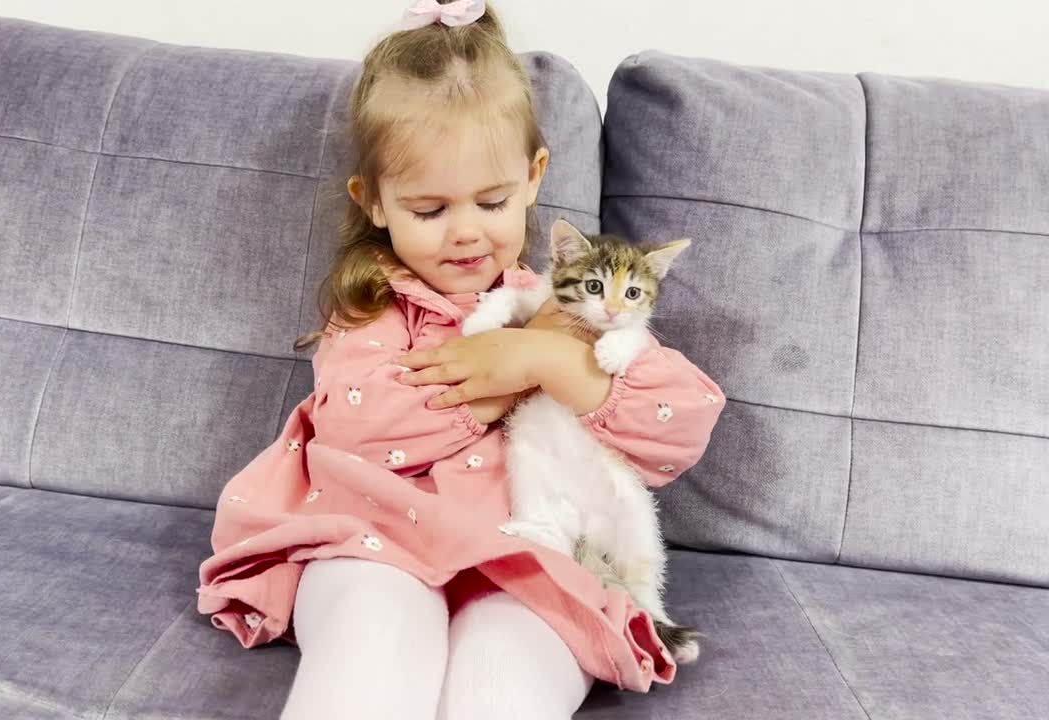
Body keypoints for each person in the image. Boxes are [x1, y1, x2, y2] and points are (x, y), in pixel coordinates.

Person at [197, 2, 725, 717]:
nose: (466, 233)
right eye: (429, 209)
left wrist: (544, 358)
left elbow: (681, 420)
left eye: (492, 199)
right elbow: (359, 428)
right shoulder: (374, 306)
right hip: (373, 538)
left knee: (506, 682)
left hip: (530, 555)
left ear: (534, 177)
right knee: (371, 648)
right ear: (374, 202)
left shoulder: (565, 310)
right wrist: (499, 382)